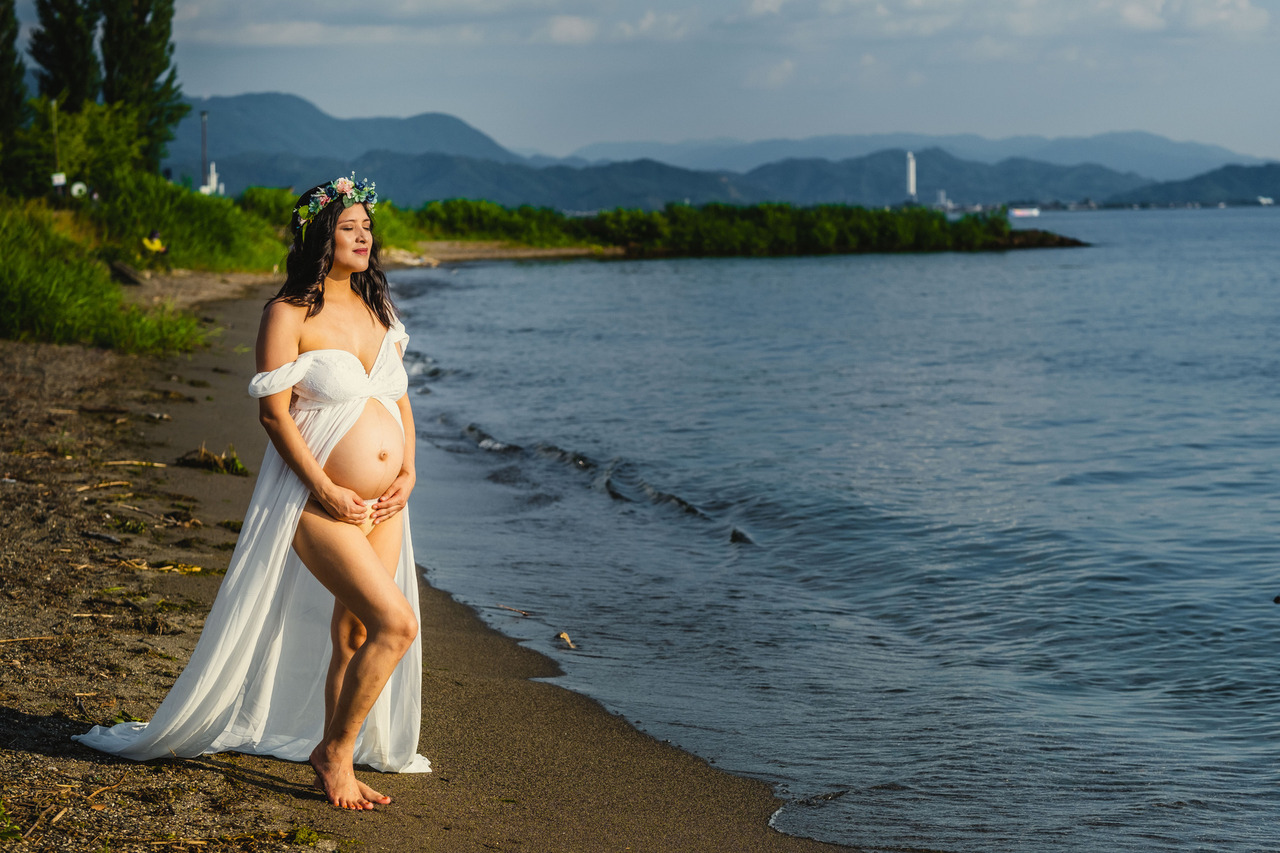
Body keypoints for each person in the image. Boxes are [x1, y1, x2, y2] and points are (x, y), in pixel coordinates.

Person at [73, 174, 430, 810]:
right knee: (396, 624)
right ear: (321, 236)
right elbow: (274, 416)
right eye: (349, 227)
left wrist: (408, 472)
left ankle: (334, 743)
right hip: (315, 501)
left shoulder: (381, 311)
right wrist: (325, 490)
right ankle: (335, 756)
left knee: (353, 635)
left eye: (367, 227)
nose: (363, 237)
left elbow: (399, 401)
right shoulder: (287, 313)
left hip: (385, 504)